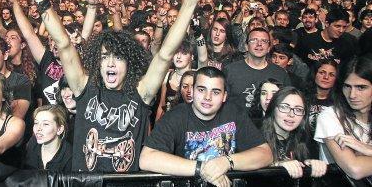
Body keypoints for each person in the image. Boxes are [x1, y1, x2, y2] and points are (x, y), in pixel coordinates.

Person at [22, 0, 206, 172]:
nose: (110, 63)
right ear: (97, 62)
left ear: (129, 63)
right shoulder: (84, 87)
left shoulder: (141, 92)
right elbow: (64, 44)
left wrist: (188, 2)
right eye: (104, 57)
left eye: (117, 57)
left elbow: (165, 53)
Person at [139, 67, 272, 187]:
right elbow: (146, 158)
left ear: (224, 96)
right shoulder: (175, 116)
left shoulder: (234, 113)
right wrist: (201, 169)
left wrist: (226, 162)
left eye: (215, 92)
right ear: (192, 91)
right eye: (202, 90)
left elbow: (266, 154)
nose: (207, 97)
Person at [314, 54, 372, 181]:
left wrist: (368, 150)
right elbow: (355, 169)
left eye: (361, 87)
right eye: (347, 86)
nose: (352, 95)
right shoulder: (329, 116)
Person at [262, 87, 327, 179]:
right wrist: (276, 165)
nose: (291, 114)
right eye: (284, 107)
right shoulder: (255, 136)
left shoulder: (307, 141)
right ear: (273, 108)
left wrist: (312, 165)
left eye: (298, 109)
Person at [225, 28, 291, 109]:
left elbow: (287, 104)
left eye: (264, 41)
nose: (259, 44)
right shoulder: (230, 70)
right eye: (254, 40)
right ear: (246, 46)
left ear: (269, 48)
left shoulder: (280, 73)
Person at [23, 105, 72, 172]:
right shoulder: (32, 144)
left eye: (45, 124)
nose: (38, 128)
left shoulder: (69, 156)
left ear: (59, 129)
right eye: (36, 123)